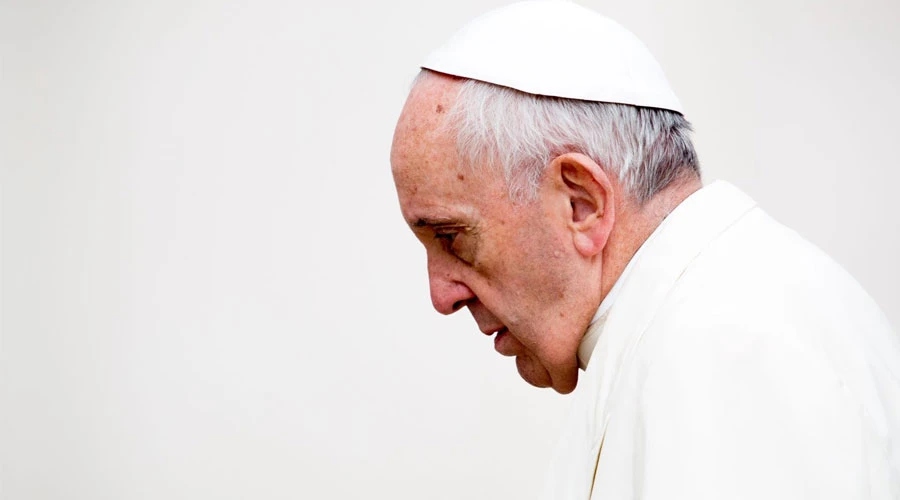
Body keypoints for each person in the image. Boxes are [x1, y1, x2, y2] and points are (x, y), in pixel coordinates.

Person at [389, 1, 900, 498]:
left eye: (452, 237)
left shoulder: (730, 341)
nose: (441, 294)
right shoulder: (682, 326)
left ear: (581, 203)